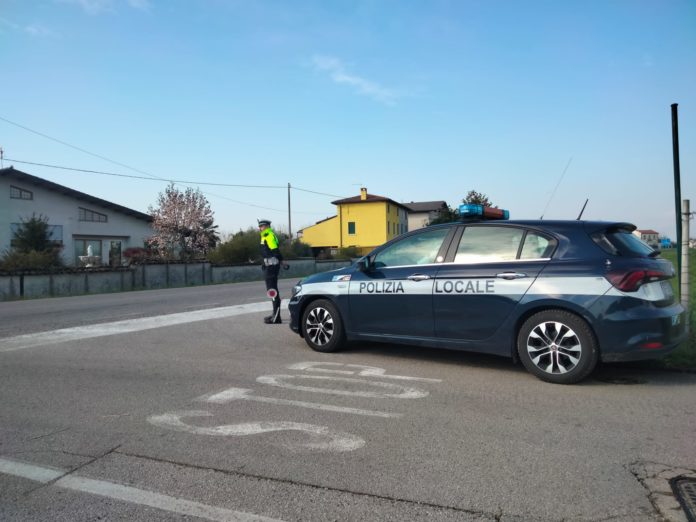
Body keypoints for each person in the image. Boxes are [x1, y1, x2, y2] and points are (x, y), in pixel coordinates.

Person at [258, 219, 288, 324]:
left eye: (261, 226)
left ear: (266, 226)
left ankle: (276, 317)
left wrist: (282, 260)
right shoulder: (265, 235)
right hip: (269, 266)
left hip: (271, 266)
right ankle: (275, 314)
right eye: (259, 226)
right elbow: (267, 251)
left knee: (272, 291)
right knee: (272, 291)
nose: (259, 228)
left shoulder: (268, 235)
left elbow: (275, 250)